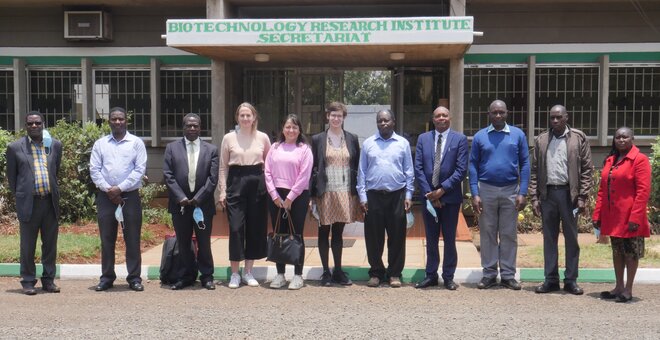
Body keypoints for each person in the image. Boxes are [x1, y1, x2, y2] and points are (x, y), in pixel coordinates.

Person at [529, 105, 593, 295]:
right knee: (549, 239)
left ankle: (571, 280)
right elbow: (534, 171)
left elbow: (587, 169)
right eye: (552, 118)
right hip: (548, 195)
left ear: (566, 117)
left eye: (558, 117)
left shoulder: (577, 138)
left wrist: (582, 196)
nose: (555, 121)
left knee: (571, 239)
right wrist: (534, 197)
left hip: (569, 196)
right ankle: (551, 279)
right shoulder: (541, 140)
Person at [469, 99, 530, 290]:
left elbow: (525, 164)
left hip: (511, 190)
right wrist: (474, 192)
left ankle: (508, 275)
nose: (498, 115)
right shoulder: (480, 137)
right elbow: (472, 165)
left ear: (507, 113)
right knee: (487, 233)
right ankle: (488, 274)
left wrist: (523, 191)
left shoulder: (518, 135)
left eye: (501, 112)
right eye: (494, 112)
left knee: (508, 234)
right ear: (489, 114)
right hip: (486, 189)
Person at [90, 107, 147, 292]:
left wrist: (119, 188)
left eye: (120, 119)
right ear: (109, 122)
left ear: (126, 121)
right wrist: (108, 189)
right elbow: (94, 170)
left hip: (129, 196)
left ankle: (134, 278)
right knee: (107, 239)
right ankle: (107, 278)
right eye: (114, 119)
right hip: (106, 197)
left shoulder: (136, 143)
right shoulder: (100, 144)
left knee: (132, 239)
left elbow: (139, 170)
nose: (117, 122)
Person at [6, 111, 62, 295]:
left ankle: (48, 280)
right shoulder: (15, 148)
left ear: (43, 124)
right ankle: (28, 281)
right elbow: (12, 178)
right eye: (30, 123)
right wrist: (22, 195)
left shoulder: (54, 145)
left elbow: (55, 171)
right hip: (29, 203)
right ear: (25, 126)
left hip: (49, 203)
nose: (34, 126)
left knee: (50, 245)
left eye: (37, 123)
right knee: (28, 245)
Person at [357, 109, 414, 288]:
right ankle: (376, 272)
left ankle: (394, 273)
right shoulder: (368, 144)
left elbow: (409, 172)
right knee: (374, 237)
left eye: (386, 120)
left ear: (393, 121)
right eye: (380, 121)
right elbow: (361, 172)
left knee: (397, 237)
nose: (383, 123)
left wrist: (409, 194)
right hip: (373, 197)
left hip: (397, 195)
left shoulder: (403, 143)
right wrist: (362, 196)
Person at [593, 127, 651, 303]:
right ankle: (618, 286)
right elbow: (602, 190)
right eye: (618, 137)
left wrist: (636, 217)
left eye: (625, 137)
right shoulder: (610, 160)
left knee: (631, 253)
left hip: (631, 217)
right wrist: (598, 214)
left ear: (632, 139)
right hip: (613, 217)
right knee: (617, 251)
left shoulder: (639, 160)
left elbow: (643, 191)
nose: (621, 140)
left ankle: (628, 289)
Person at [413, 106, 468, 290]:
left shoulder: (459, 139)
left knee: (450, 239)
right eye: (438, 116)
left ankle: (449, 276)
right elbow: (418, 167)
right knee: (431, 238)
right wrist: (430, 192)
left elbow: (461, 170)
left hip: (450, 198)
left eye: (444, 115)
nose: (441, 118)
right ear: (433, 118)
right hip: (429, 198)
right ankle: (431, 275)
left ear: (450, 118)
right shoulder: (423, 139)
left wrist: (442, 190)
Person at [218, 103, 271, 289]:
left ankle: (248, 272)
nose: (245, 118)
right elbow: (223, 166)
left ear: (254, 117)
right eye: (242, 115)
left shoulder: (262, 137)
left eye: (249, 115)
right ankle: (234, 273)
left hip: (257, 183)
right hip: (236, 181)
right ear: (237, 117)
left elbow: (269, 164)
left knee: (255, 229)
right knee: (235, 228)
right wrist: (223, 190)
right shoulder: (228, 138)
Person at [163, 113, 218, 290]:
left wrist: (198, 198)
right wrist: (182, 198)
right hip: (180, 205)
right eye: (189, 125)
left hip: (203, 205)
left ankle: (207, 276)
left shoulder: (211, 150)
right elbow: (168, 176)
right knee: (183, 242)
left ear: (200, 127)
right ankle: (186, 276)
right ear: (183, 127)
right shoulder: (172, 148)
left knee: (204, 242)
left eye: (195, 125)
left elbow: (213, 178)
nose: (192, 128)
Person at [310, 102, 361, 286]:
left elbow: (356, 166)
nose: (336, 119)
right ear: (327, 116)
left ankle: (338, 270)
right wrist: (311, 196)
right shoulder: (317, 139)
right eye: (333, 115)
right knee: (323, 232)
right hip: (325, 192)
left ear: (344, 118)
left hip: (345, 192)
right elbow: (313, 168)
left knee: (339, 233)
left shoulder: (352, 138)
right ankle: (326, 272)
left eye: (339, 116)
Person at [264, 114, 313, 290]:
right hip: (276, 196)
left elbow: (304, 175)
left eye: (294, 127)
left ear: (299, 130)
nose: (291, 130)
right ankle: (280, 274)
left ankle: (298, 275)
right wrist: (274, 195)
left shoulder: (304, 149)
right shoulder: (275, 147)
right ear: (282, 129)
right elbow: (267, 172)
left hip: (298, 196)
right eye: (287, 127)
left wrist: (291, 197)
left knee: (296, 235)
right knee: (279, 234)